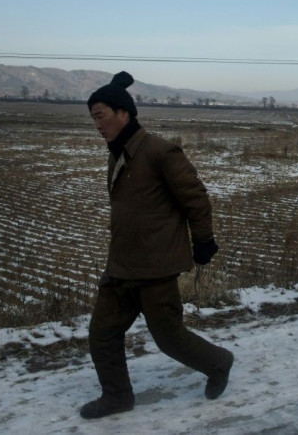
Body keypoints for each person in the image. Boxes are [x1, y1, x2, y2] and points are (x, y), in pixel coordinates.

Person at [80, 71, 234, 419]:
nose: (96, 125)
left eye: (99, 116)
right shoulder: (118, 153)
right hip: (120, 265)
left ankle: (219, 362)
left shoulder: (159, 151)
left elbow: (196, 198)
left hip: (155, 267)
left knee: (169, 338)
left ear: (124, 113)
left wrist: (204, 241)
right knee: (102, 334)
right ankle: (117, 397)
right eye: (93, 118)